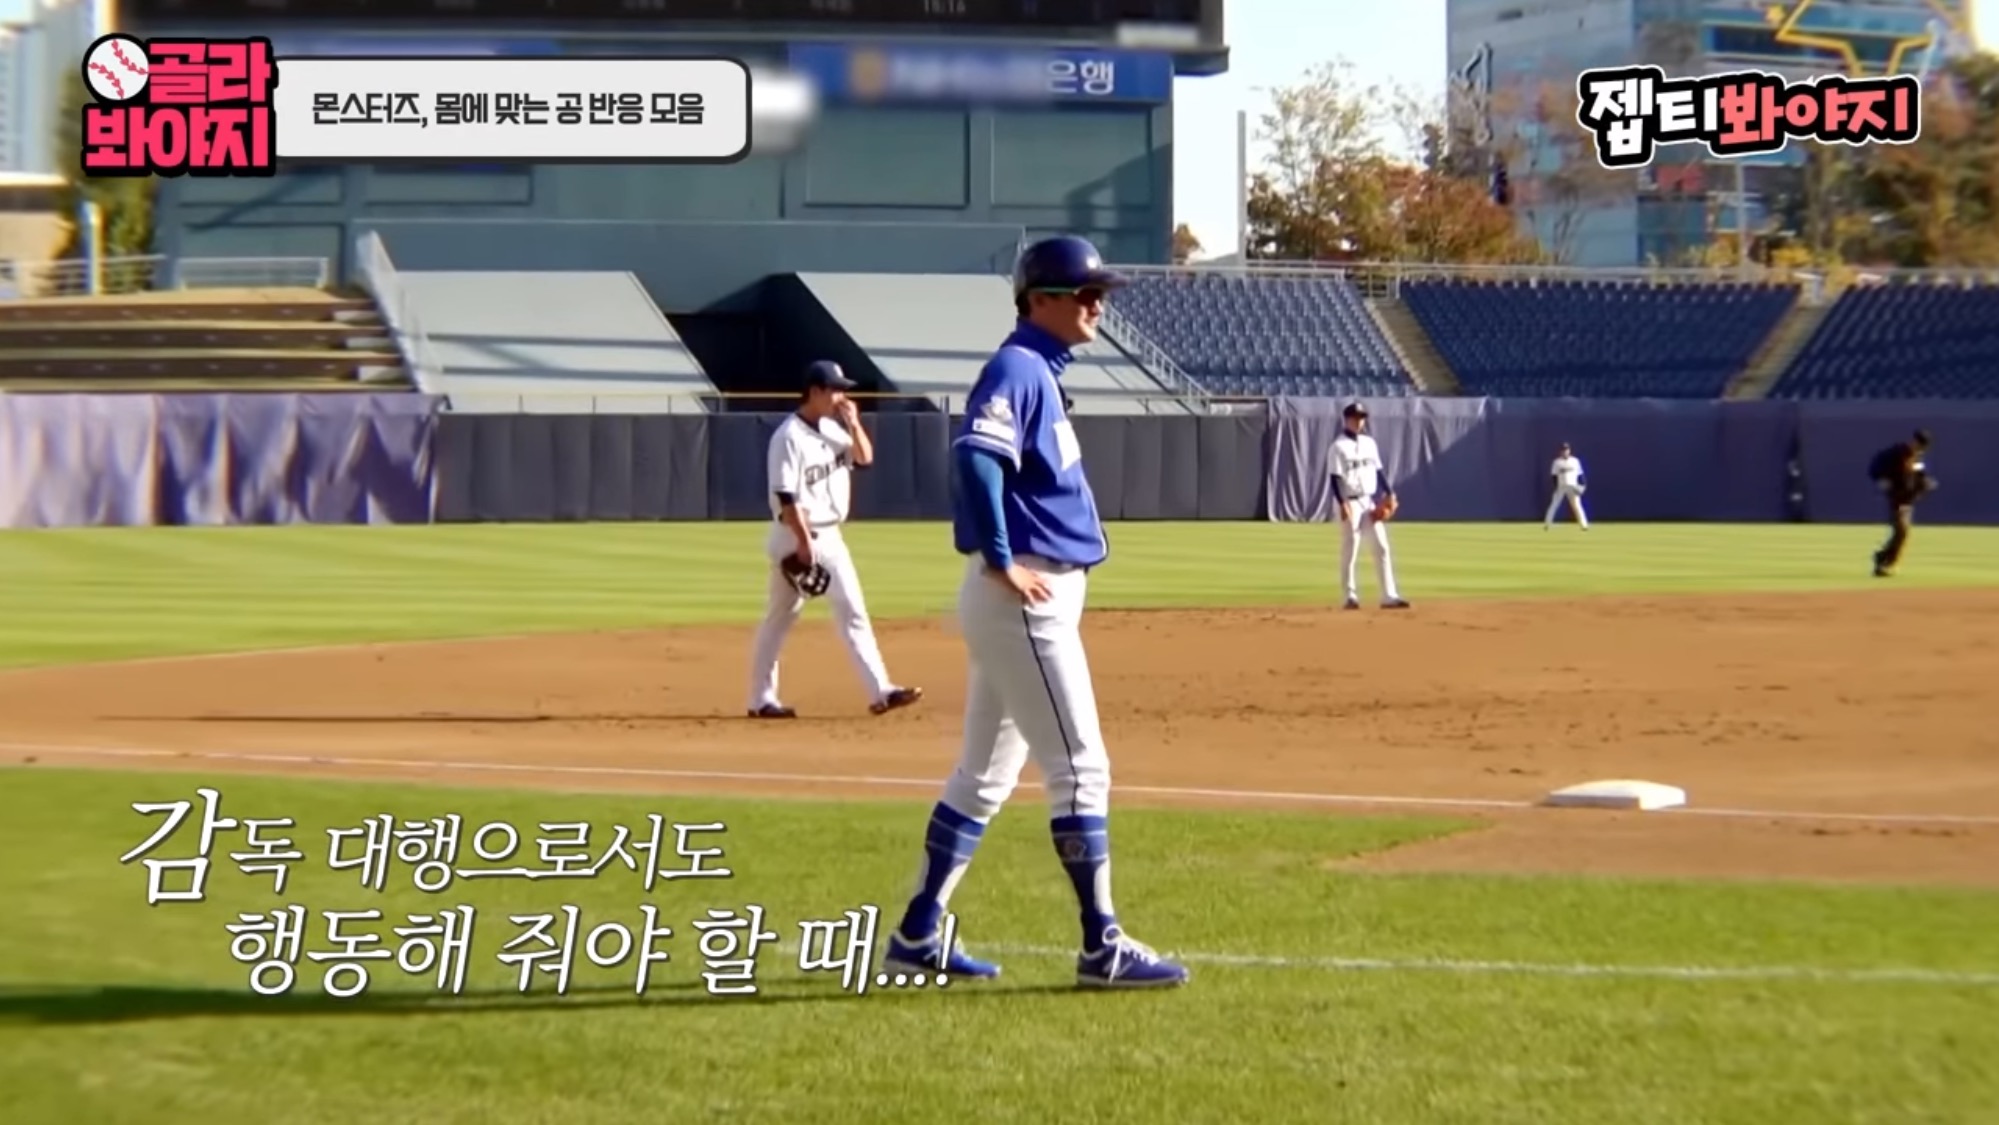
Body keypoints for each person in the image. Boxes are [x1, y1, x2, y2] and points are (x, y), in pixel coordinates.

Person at [879, 235, 1189, 990]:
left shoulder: (1038, 371)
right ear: (1038, 300)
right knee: (1080, 768)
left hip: (1025, 599)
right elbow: (975, 456)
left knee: (983, 777)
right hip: (1024, 597)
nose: (1097, 305)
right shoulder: (1018, 367)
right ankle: (1101, 944)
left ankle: (917, 933)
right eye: (1083, 293)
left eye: (1099, 294)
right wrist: (998, 555)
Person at [745, 361, 923, 719]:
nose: (841, 396)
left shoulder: (832, 429)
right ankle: (762, 698)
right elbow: (786, 497)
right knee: (789, 616)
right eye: (835, 389)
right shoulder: (788, 437)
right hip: (798, 534)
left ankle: (879, 691)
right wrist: (803, 542)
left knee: (836, 612)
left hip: (829, 534)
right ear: (814, 392)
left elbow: (865, 458)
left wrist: (854, 423)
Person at [1330, 402, 1410, 611]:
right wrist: (1342, 503)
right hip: (1350, 501)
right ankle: (1349, 596)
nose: (1359, 421)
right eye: (1355, 417)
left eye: (1362, 417)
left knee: (1381, 546)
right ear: (1346, 419)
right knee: (1351, 548)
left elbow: (1378, 471)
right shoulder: (1338, 446)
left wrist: (1390, 493)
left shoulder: (1369, 443)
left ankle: (1389, 595)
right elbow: (1334, 478)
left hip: (1368, 501)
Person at [1867, 428, 1936, 578]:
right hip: (1896, 496)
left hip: (1908, 498)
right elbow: (1875, 465)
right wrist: (1881, 479)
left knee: (1902, 533)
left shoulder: (1917, 459)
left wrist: (1926, 483)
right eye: (1920, 444)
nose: (1921, 448)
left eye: (1924, 447)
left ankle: (1883, 559)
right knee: (1902, 530)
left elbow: (1919, 475)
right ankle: (1884, 562)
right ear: (1914, 441)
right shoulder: (1897, 452)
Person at [1544, 441, 1590, 530]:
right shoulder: (1557, 462)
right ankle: (1547, 524)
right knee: (1554, 505)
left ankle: (1584, 525)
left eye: (1566, 449)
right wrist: (1556, 487)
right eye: (1563, 450)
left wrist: (1583, 484)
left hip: (1573, 486)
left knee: (1577, 506)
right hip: (1561, 487)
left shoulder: (1575, 461)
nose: (1565, 451)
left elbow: (1580, 474)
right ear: (1560, 451)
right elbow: (1554, 476)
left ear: (1569, 450)